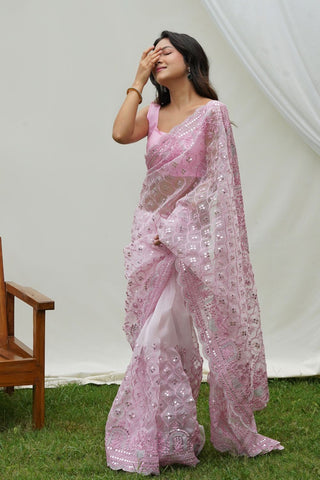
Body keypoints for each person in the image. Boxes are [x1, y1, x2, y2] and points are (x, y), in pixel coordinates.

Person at [105, 30, 283, 475]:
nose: (158, 57)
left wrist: (178, 223)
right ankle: (176, 435)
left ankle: (155, 435)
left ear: (190, 58)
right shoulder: (154, 111)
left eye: (166, 51)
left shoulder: (212, 114)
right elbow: (119, 133)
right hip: (152, 239)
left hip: (190, 242)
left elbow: (218, 182)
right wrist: (137, 79)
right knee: (170, 339)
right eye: (153, 53)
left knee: (160, 338)